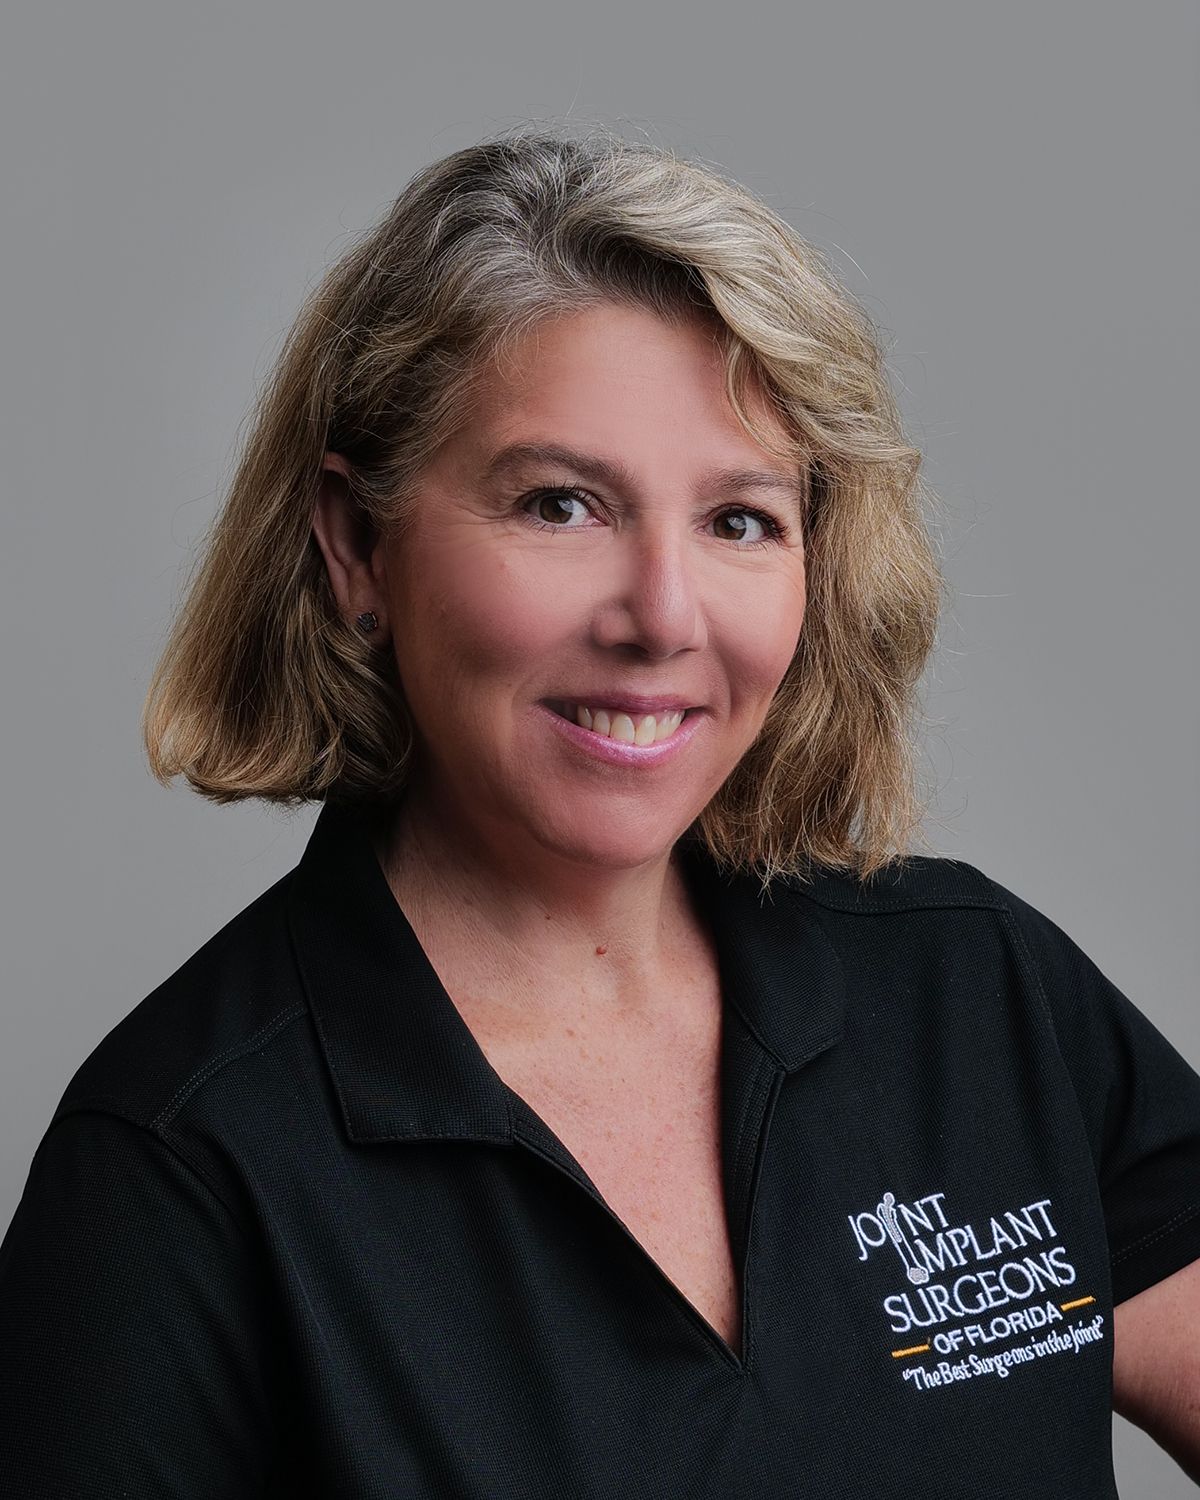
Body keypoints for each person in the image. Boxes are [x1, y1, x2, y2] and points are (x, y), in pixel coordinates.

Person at [1, 124, 1197, 1499]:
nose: (663, 617)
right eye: (561, 504)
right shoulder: (180, 1174)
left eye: (741, 520)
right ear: (354, 543)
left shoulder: (979, 997)